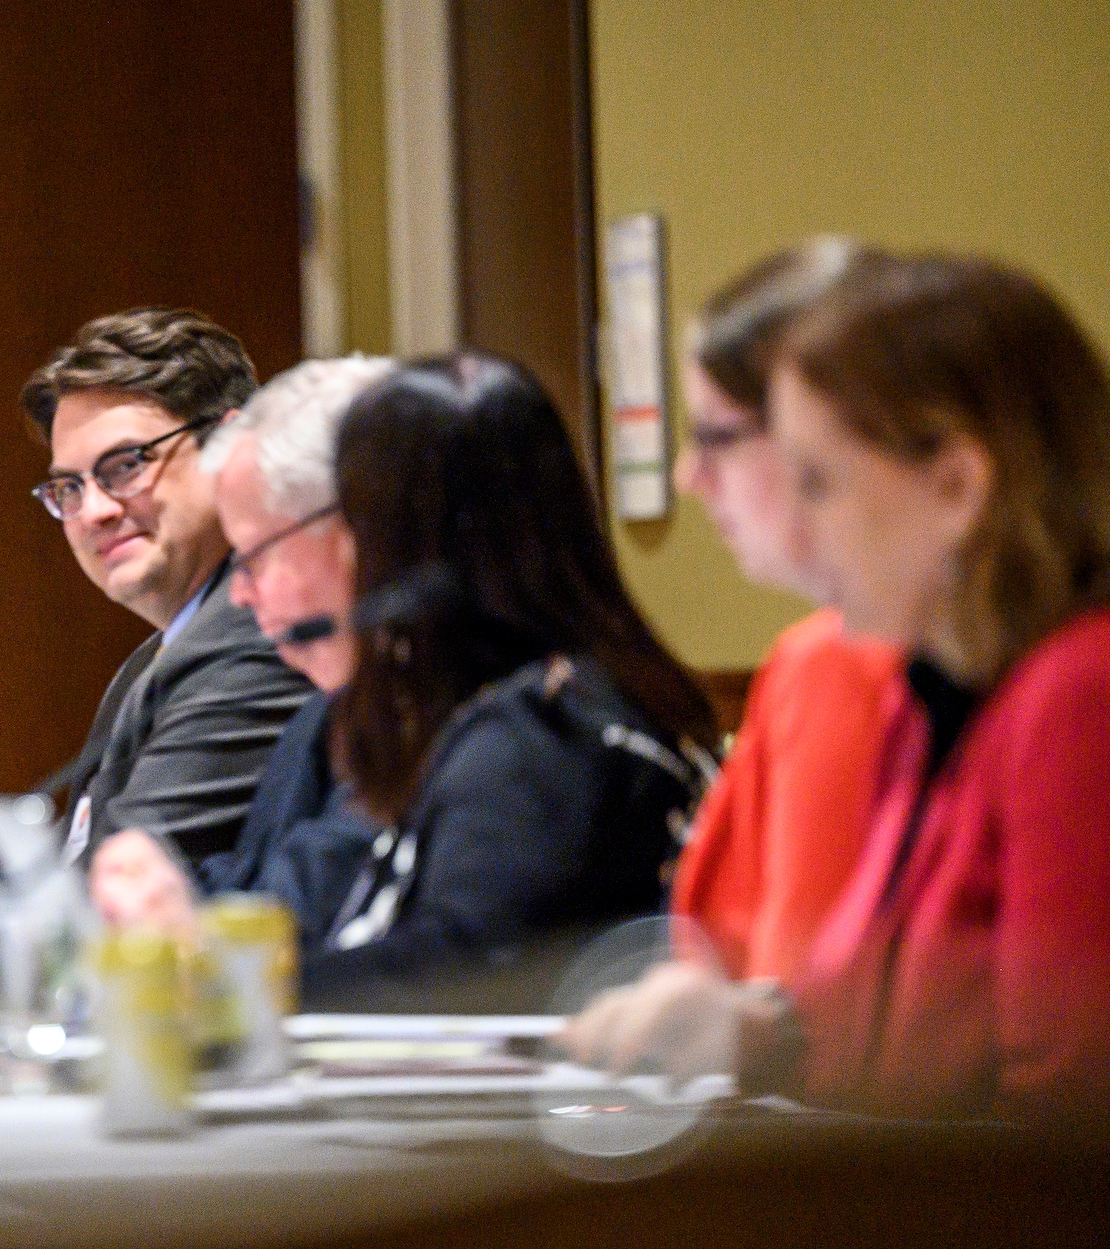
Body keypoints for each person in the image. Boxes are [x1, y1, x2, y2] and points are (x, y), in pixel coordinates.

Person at [562, 255, 1110, 1126]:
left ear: (958, 485)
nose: (804, 531)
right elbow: (864, 1025)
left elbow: (1068, 1135)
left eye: (818, 482)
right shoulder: (933, 693)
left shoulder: (1078, 694)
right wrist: (751, 1030)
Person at [310, 350, 717, 1010]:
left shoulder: (541, 739)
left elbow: (457, 973)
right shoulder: (565, 698)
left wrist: (241, 995)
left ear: (403, 544)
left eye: (351, 518)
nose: (343, 549)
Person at [90, 357, 394, 942]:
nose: (241, 592)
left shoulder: (516, 736)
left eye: (255, 556)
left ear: (361, 534)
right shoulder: (325, 718)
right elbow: (254, 886)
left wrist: (192, 939)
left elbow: (429, 975)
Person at [667, 240, 905, 983]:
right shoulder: (820, 654)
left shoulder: (837, 663)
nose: (688, 478)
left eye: (715, 436)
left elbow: (809, 1025)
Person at [19, 308, 314, 867]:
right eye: (68, 488)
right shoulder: (152, 658)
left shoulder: (258, 635)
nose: (94, 512)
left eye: (125, 466)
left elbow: (119, 892)